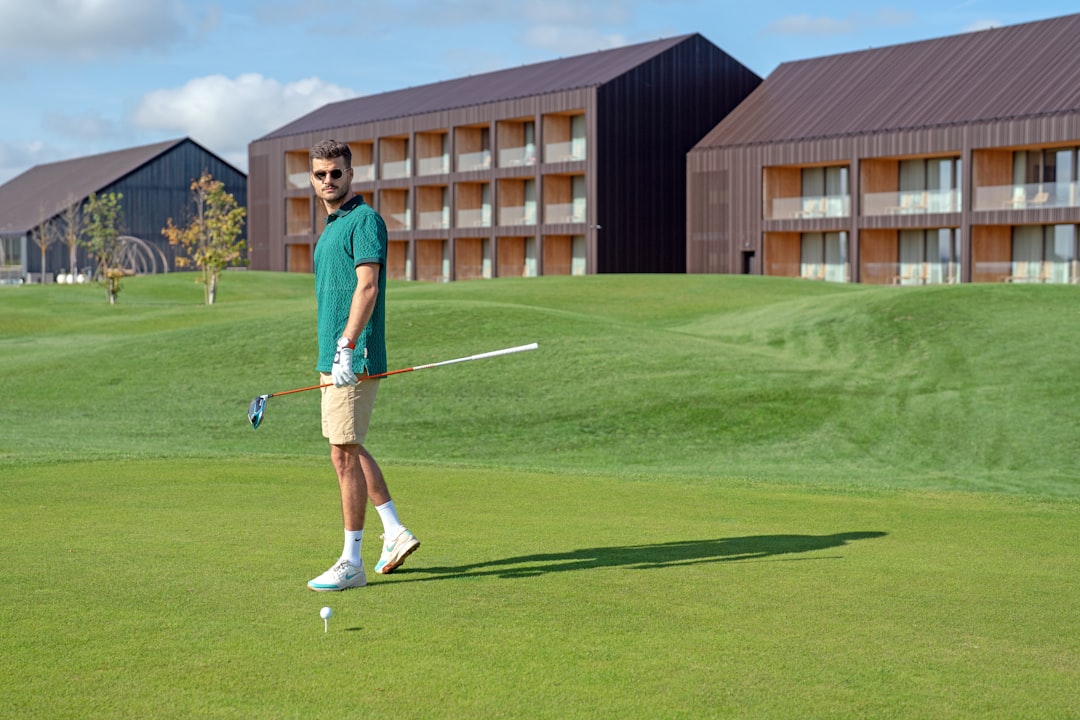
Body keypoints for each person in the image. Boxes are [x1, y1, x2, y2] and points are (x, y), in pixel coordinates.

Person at [305, 139, 419, 592]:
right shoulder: (332, 227)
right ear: (311, 178)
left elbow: (367, 288)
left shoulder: (365, 220)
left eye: (335, 172)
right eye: (320, 174)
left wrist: (348, 345)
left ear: (350, 174)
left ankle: (352, 561)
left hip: (353, 356)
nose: (328, 180)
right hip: (333, 358)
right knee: (346, 445)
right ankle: (394, 531)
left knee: (342, 453)